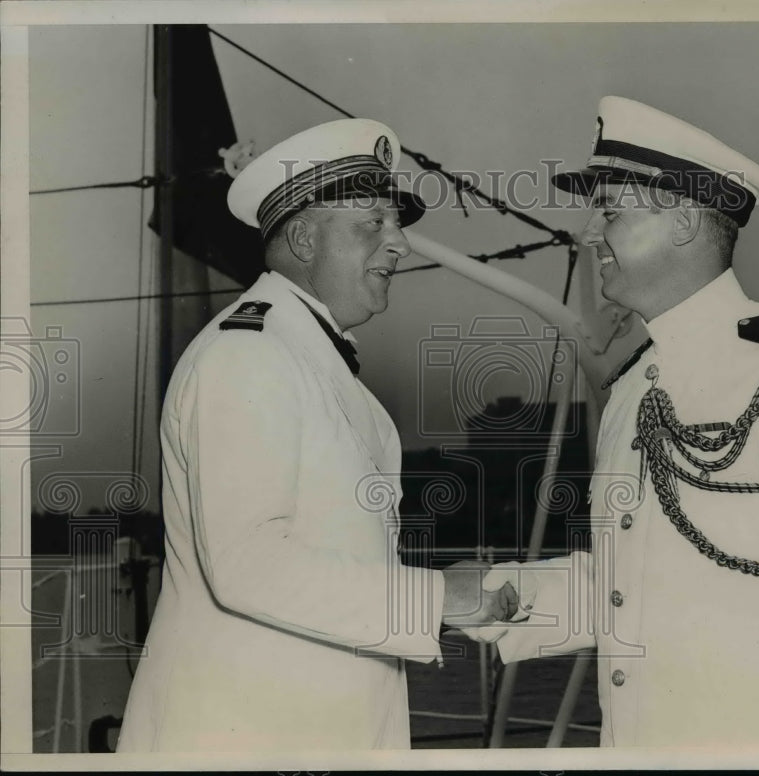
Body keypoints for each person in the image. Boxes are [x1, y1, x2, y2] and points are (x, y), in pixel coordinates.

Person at [469, 96, 759, 746]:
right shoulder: (634, 386)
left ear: (682, 221)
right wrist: (480, 593)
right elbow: (638, 582)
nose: (591, 232)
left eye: (612, 211)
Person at [117, 119, 518, 752]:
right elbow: (250, 565)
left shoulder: (316, 364)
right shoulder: (248, 356)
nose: (400, 245)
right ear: (303, 239)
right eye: (373, 224)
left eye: (397, 223)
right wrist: (438, 596)